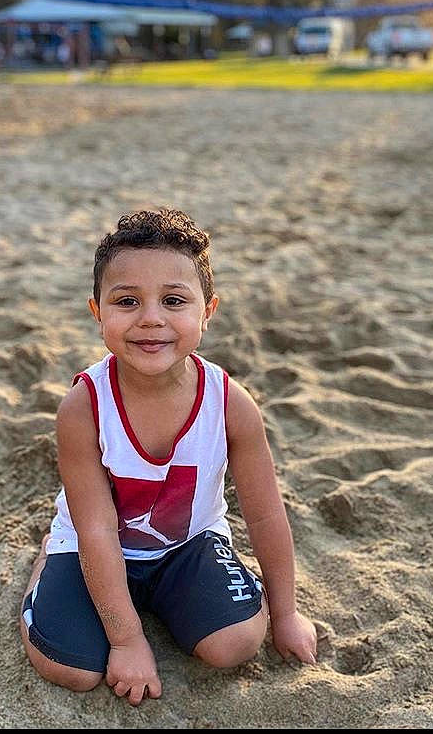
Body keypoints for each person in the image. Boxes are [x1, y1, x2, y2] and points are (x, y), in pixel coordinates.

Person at [19, 208, 318, 706]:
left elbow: (265, 513)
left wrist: (286, 614)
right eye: (127, 301)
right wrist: (127, 640)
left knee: (235, 644)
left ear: (207, 311)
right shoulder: (85, 407)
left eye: (174, 300)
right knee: (71, 668)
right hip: (91, 547)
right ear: (98, 312)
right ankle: (47, 564)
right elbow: (96, 529)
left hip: (186, 545)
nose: (151, 317)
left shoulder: (230, 403)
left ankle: (171, 595)